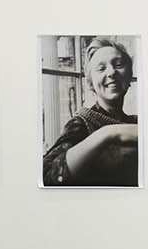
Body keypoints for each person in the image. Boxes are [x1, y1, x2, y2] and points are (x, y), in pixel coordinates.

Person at [43, 38, 139, 186]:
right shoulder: (81, 124)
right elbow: (46, 175)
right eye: (101, 68)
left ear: (129, 76)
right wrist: (108, 133)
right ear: (91, 83)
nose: (111, 72)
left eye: (118, 65)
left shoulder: (137, 121)